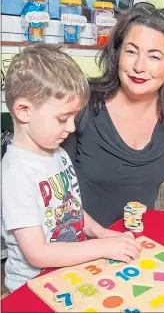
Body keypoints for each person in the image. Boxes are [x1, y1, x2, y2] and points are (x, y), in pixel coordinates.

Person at [2, 44, 141, 292]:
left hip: (69, 275)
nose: (72, 128)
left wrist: (100, 233)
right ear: (24, 111)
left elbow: (72, 208)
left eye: (74, 118)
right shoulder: (16, 174)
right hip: (33, 289)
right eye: (62, 118)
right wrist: (101, 248)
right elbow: (37, 254)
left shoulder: (58, 154)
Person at [61, 2, 164, 227]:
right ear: (117, 54)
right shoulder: (83, 103)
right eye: (131, 51)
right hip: (78, 245)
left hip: (137, 248)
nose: (139, 67)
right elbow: (57, 188)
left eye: (154, 57)